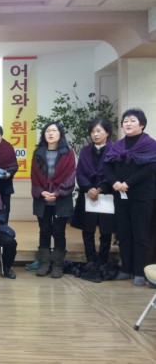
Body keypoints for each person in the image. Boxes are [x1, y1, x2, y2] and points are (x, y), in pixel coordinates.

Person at [103, 108, 156, 286]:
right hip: (120, 195)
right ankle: (126, 268)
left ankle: (140, 271)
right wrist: (114, 182)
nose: (128, 123)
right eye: (125, 121)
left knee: (141, 235)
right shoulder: (117, 145)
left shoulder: (150, 144)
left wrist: (128, 183)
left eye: (133, 120)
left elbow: (150, 168)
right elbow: (107, 166)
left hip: (142, 196)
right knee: (123, 233)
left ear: (142, 125)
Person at [70, 118, 116, 282]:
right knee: (87, 229)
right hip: (87, 194)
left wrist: (100, 188)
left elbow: (114, 173)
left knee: (106, 230)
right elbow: (80, 172)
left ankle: (103, 260)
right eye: (93, 132)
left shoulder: (114, 149)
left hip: (107, 194)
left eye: (99, 131)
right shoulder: (85, 151)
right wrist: (89, 188)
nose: (95, 134)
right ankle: (91, 259)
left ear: (107, 132)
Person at [31, 121, 76, 278]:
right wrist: (42, 192)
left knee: (58, 232)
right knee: (44, 231)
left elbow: (71, 175)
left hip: (61, 199)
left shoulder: (68, 153)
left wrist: (58, 192)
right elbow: (34, 177)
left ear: (60, 134)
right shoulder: (38, 152)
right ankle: (44, 264)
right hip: (42, 198)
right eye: (47, 131)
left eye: (54, 130)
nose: (50, 133)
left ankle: (58, 265)